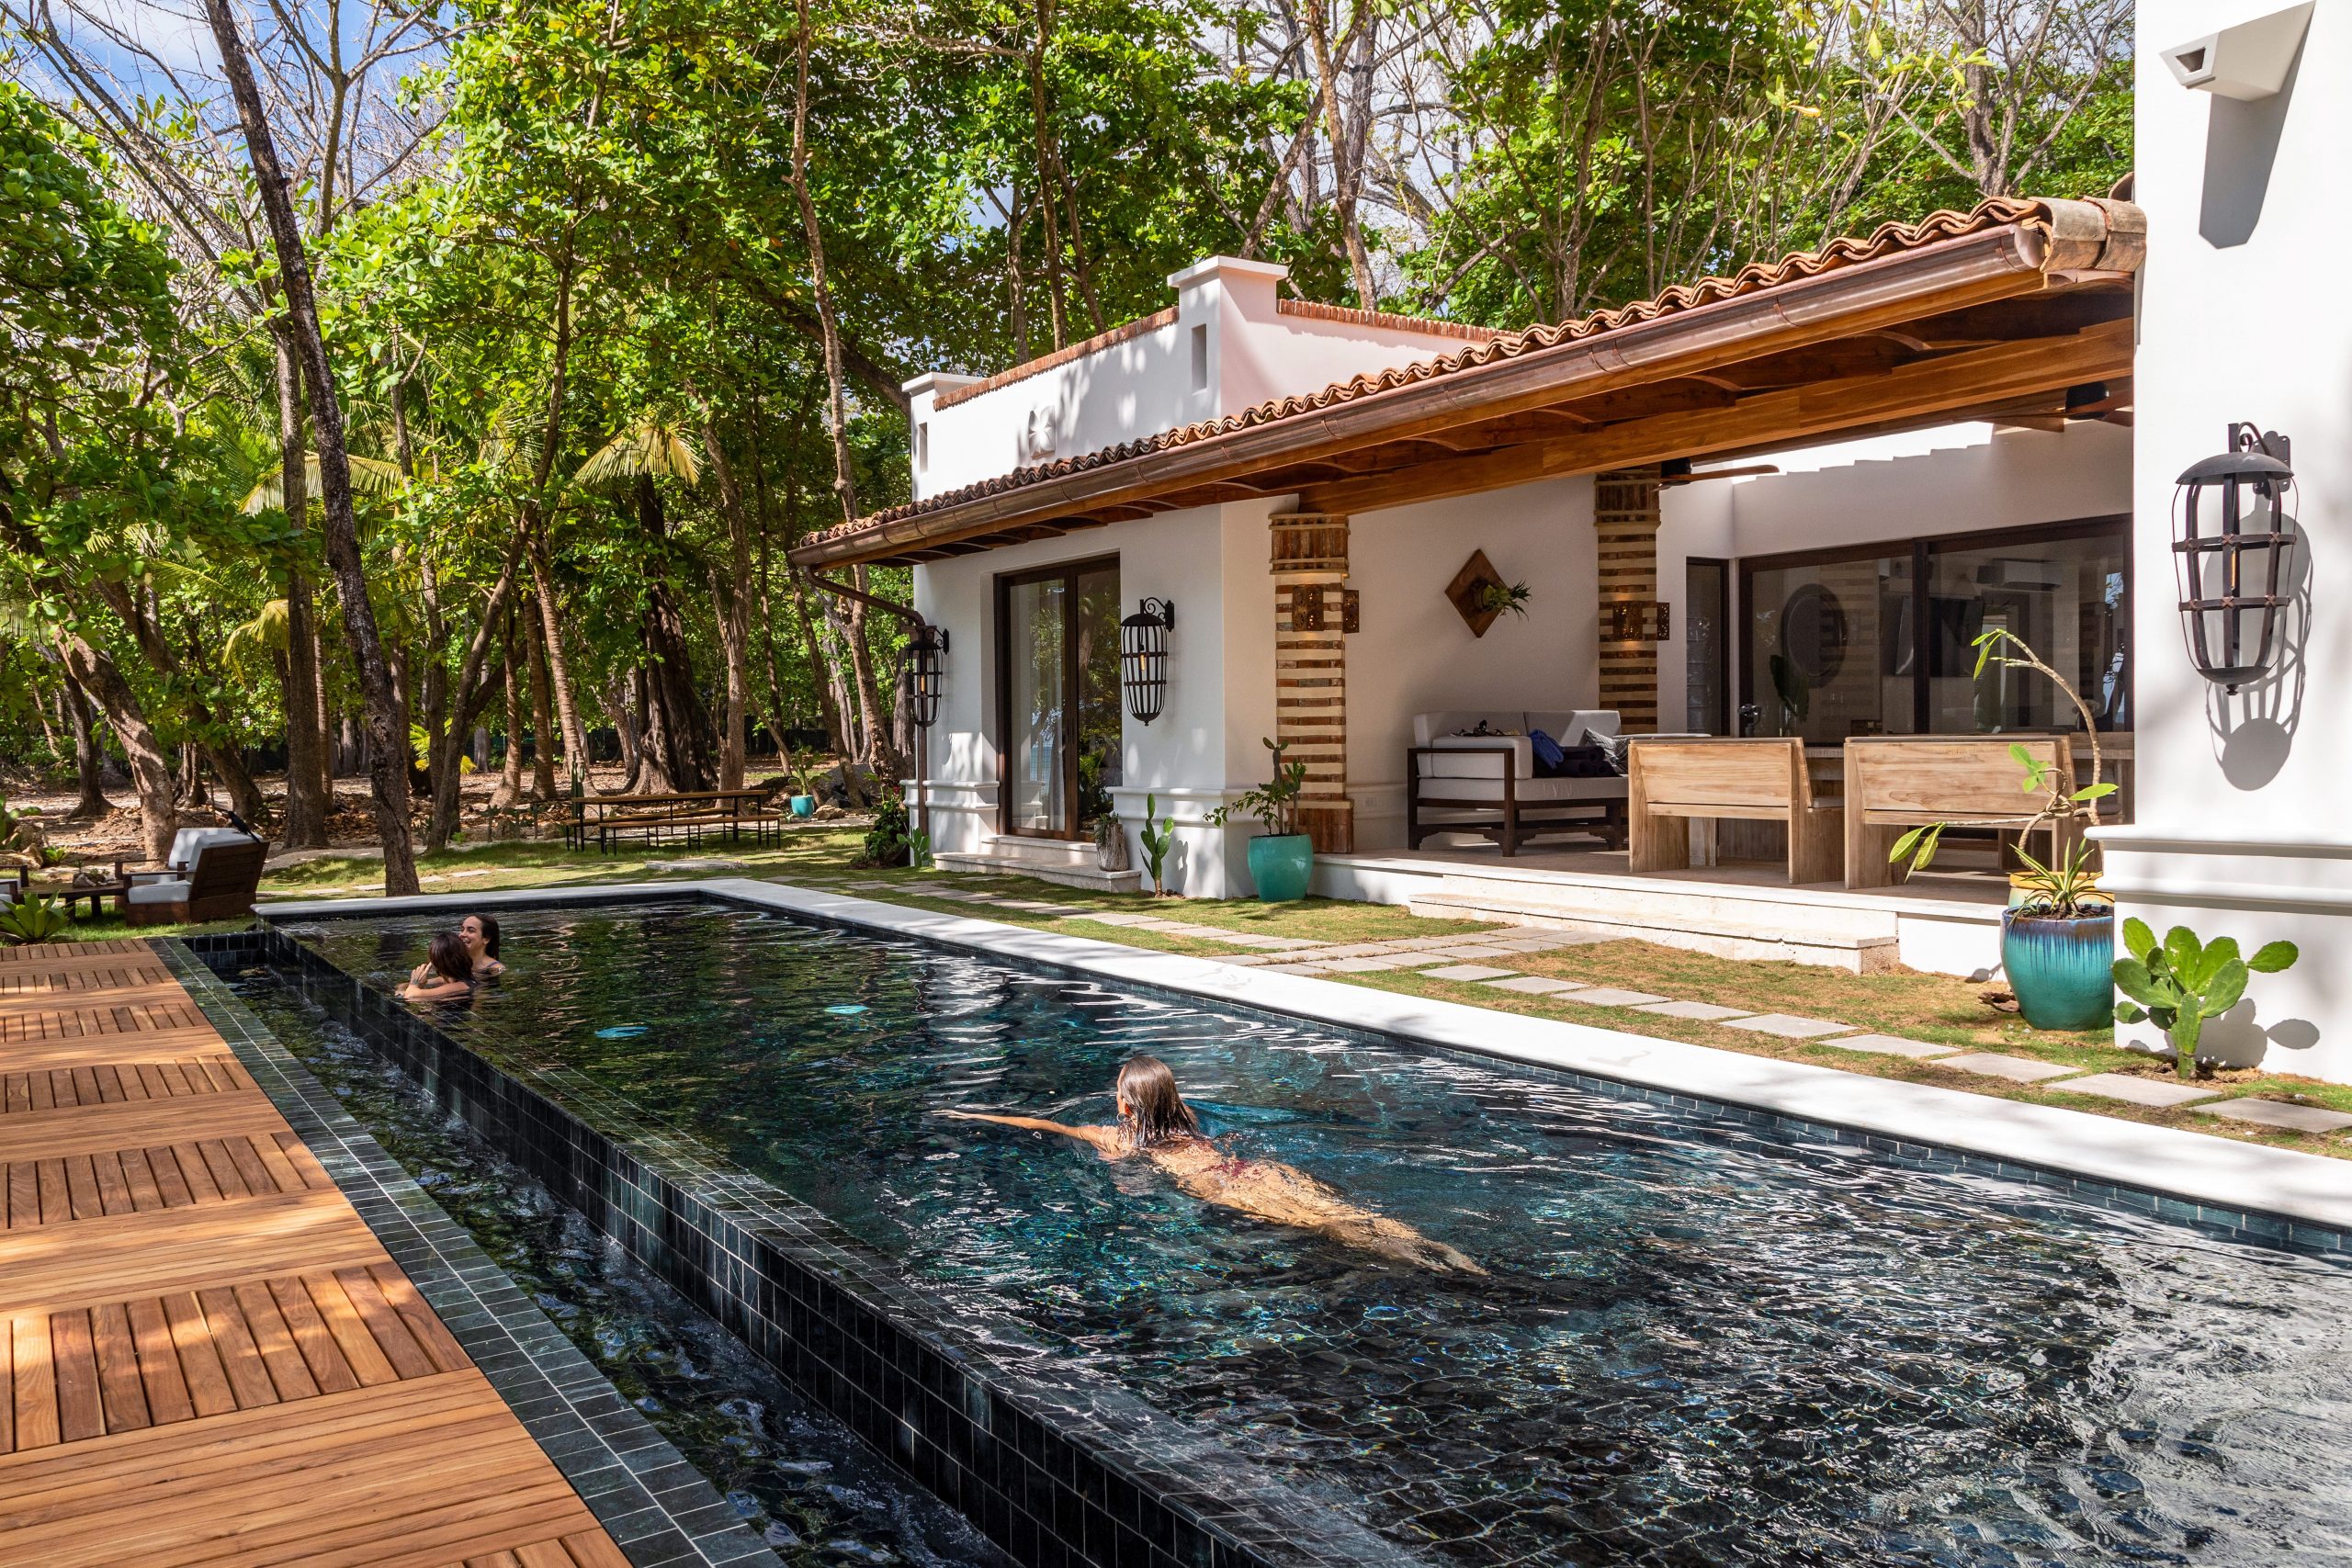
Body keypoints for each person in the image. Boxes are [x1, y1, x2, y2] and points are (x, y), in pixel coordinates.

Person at [935, 1055, 1485, 1275]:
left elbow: (1045, 1127)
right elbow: (1165, 1096)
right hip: (1254, 1169)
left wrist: (974, 1114)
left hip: (1221, 1188)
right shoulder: (1186, 1115)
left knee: (1331, 1226)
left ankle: (1435, 1267)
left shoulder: (1120, 1139)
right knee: (1342, 1209)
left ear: (1126, 1104)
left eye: (1117, 1092)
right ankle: (1440, 1250)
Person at [408, 913, 503, 988]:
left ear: (486, 939)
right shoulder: (456, 963)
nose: (462, 934)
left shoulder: (495, 969)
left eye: (471, 930)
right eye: (462, 929)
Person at [401, 931, 477, 1004]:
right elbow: (401, 986)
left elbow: (410, 996)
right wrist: (420, 984)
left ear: (436, 962)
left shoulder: (461, 986)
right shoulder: (448, 980)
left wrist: (414, 983)